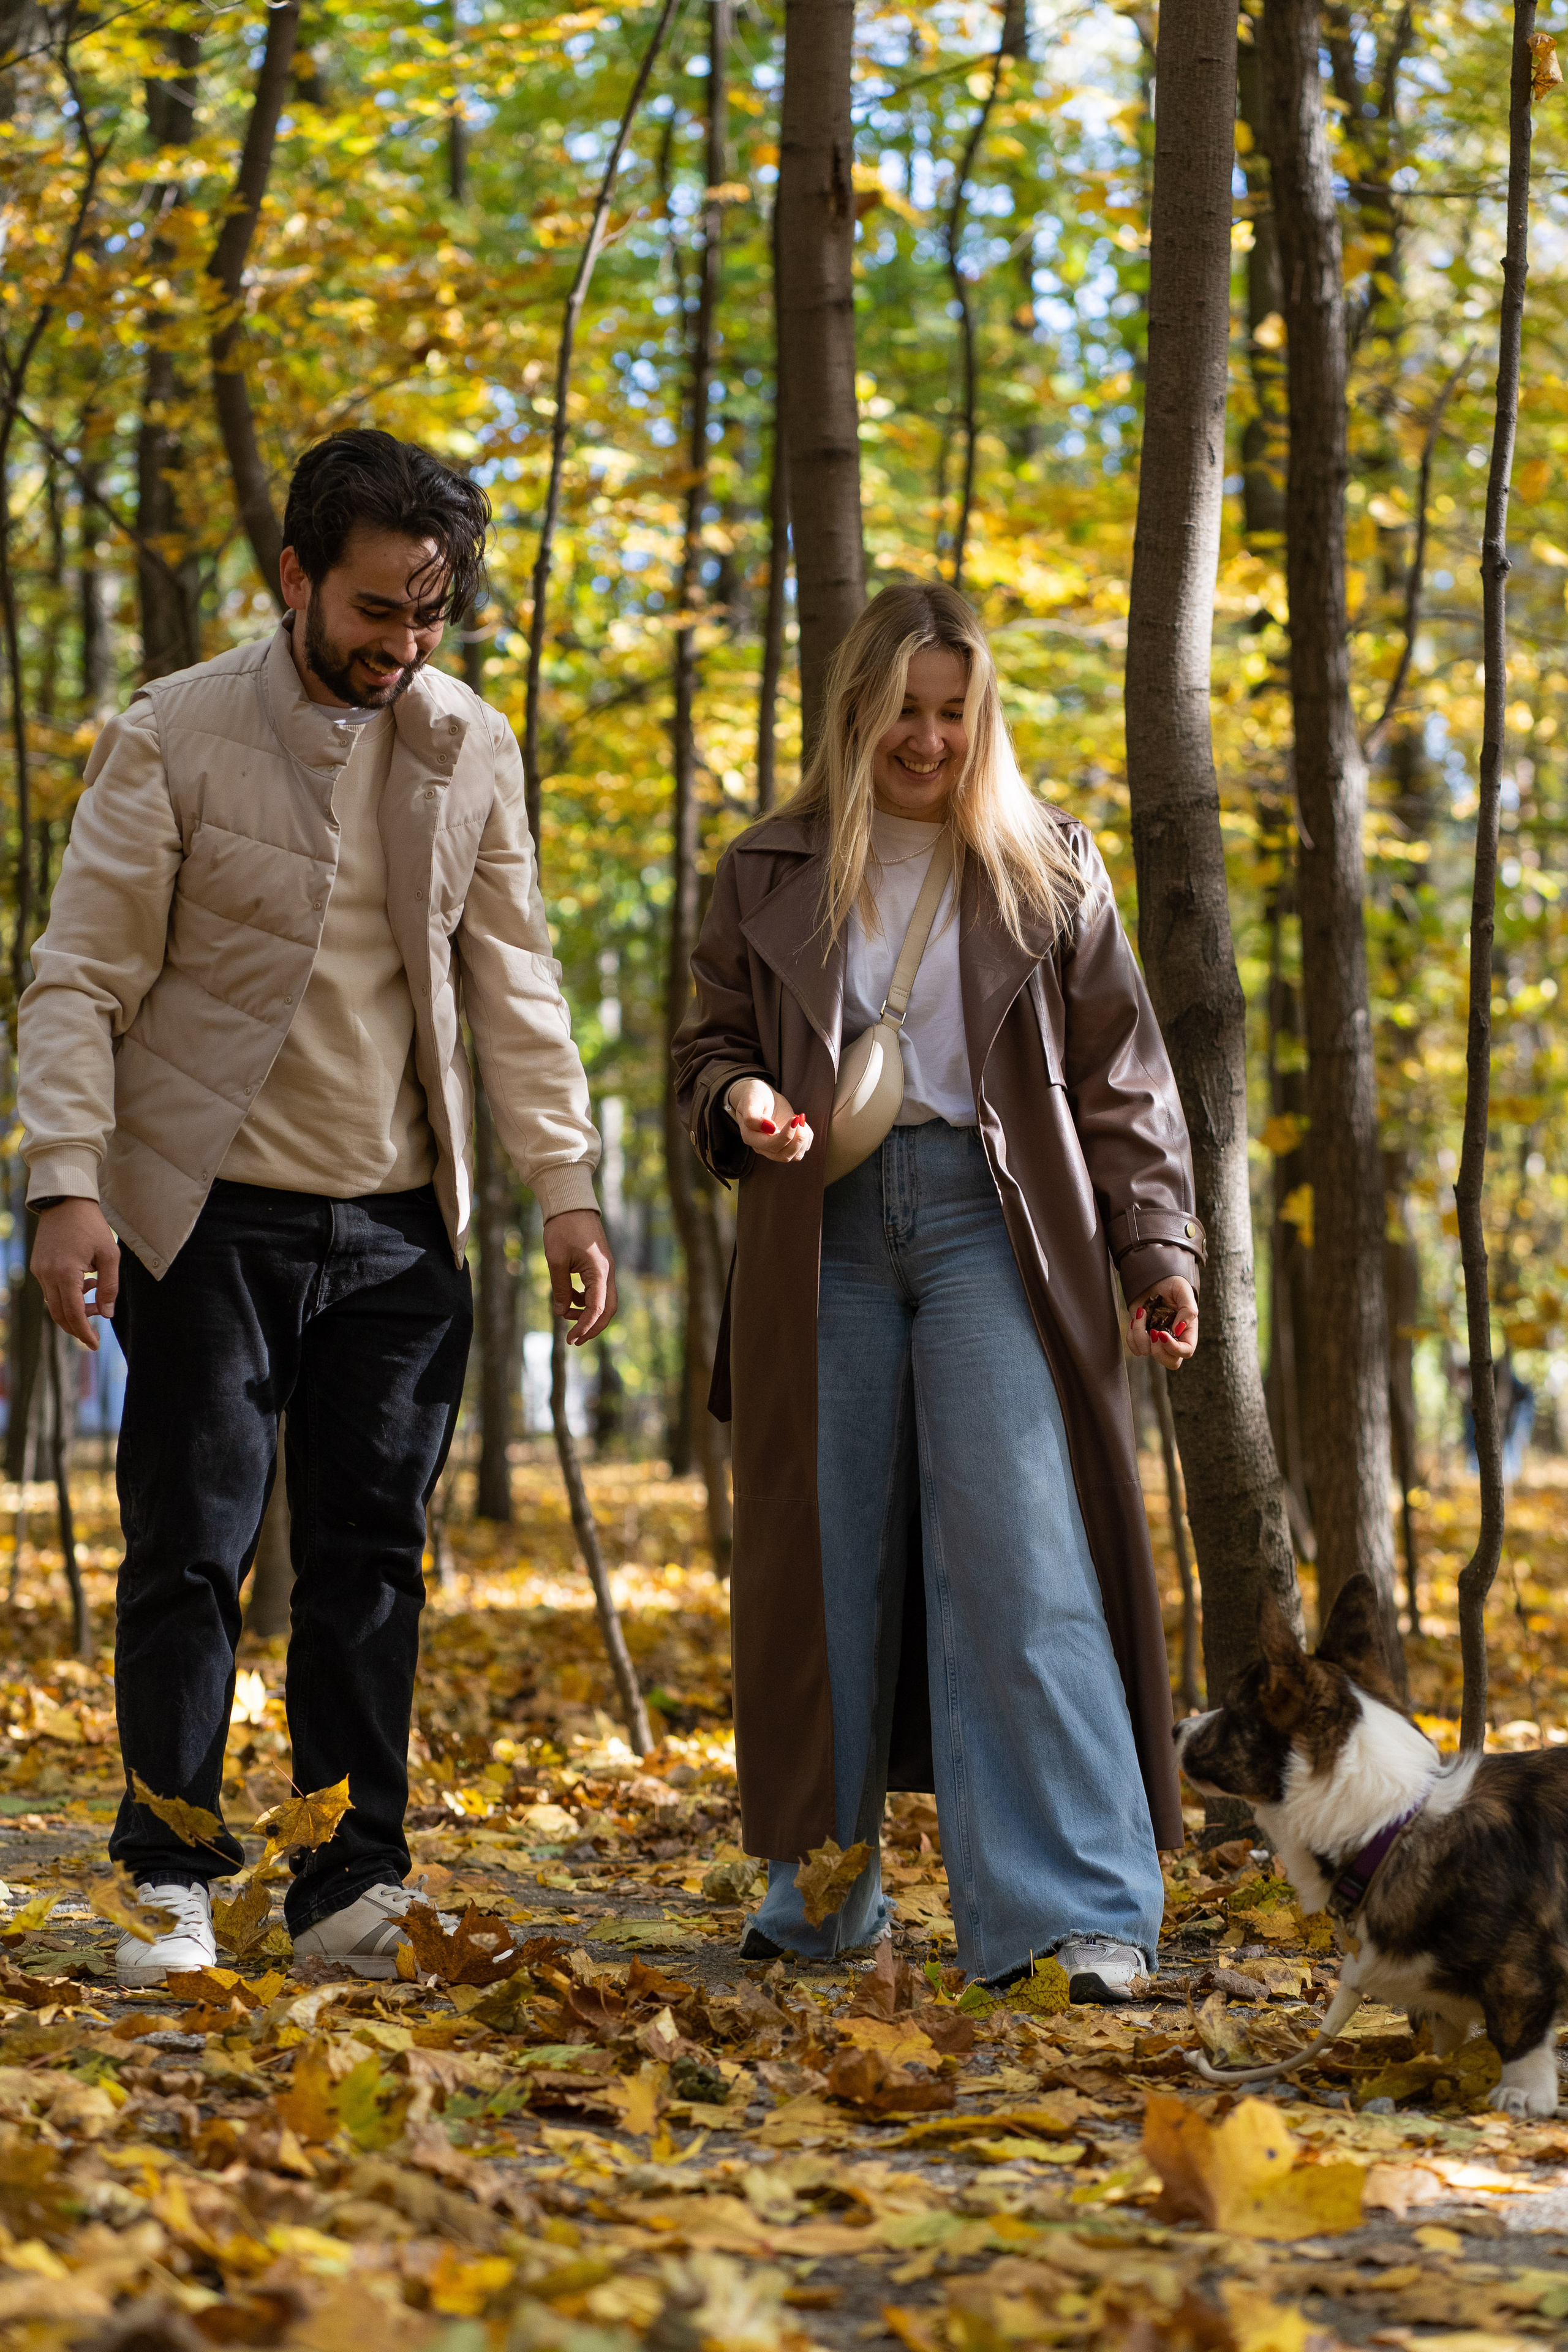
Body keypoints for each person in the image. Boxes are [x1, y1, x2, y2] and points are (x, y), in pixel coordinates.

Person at [19, 429, 614, 1986]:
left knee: (371, 1565)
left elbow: (517, 983)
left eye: (429, 617)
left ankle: (349, 1884)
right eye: (373, 611)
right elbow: (80, 978)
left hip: (402, 1225)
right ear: (294, 578)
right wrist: (64, 1185)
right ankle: (169, 1874)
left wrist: (565, 1188)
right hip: (205, 1213)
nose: (399, 648)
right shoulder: (173, 735)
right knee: (190, 1547)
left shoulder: (469, 743)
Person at [673, 582, 1201, 1998]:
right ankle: (821, 1898)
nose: (926, 739)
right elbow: (706, 1047)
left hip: (997, 1227)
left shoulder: (1048, 865)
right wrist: (743, 1101)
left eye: (953, 711)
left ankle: (1072, 1917)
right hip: (821, 1232)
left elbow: (1124, 1083)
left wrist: (1158, 1253)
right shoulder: (769, 864)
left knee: (1022, 1560)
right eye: (901, 709)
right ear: (854, 710)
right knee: (820, 1565)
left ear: (986, 716)